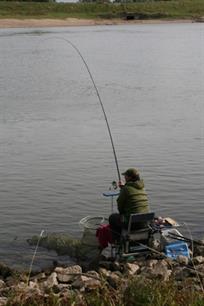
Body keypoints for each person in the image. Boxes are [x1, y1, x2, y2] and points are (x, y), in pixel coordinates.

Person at [109, 168, 150, 241]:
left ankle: (116, 241)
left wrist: (123, 189)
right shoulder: (142, 188)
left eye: (126, 176)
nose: (124, 177)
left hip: (132, 224)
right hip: (145, 222)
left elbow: (120, 207)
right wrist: (123, 187)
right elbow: (131, 190)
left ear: (130, 177)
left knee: (112, 217)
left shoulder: (126, 189)